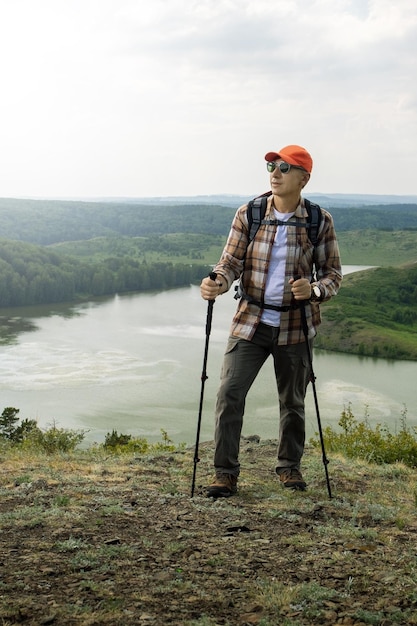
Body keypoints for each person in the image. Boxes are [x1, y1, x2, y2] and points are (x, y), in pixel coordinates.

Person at [200, 144, 342, 498]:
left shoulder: (318, 220)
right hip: (251, 320)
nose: (275, 174)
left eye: (284, 168)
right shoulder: (250, 213)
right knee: (229, 393)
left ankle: (289, 467)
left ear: (303, 179)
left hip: (296, 326)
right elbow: (230, 261)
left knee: (292, 401)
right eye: (271, 167)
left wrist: (314, 290)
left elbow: (332, 275)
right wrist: (217, 280)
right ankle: (225, 473)